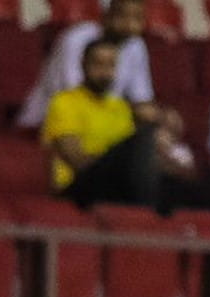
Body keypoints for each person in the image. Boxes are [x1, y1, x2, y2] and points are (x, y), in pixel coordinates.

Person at [41, 38, 175, 210]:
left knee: (180, 186)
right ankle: (145, 212)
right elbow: (76, 159)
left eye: (111, 65)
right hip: (76, 187)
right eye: (98, 64)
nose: (105, 72)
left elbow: (133, 157)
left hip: (115, 185)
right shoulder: (64, 102)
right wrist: (121, 166)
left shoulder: (120, 107)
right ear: (83, 65)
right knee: (144, 136)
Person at [18, 0, 156, 129]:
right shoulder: (76, 39)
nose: (129, 25)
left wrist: (150, 113)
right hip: (51, 121)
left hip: (102, 121)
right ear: (106, 16)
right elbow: (74, 94)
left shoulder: (135, 45)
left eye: (137, 18)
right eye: (122, 16)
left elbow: (141, 96)